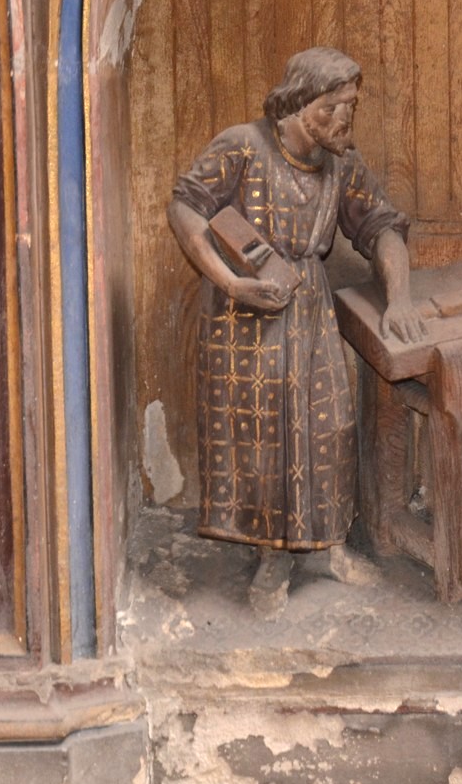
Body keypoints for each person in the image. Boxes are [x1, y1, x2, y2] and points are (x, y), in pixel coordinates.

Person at [168, 46, 426, 615]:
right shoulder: (243, 144)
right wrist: (230, 283)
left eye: (351, 107)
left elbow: (381, 226)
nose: (346, 120)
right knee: (265, 439)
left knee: (328, 428)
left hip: (308, 307)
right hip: (245, 317)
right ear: (304, 101)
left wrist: (400, 296)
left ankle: (326, 544)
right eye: (336, 107)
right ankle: (272, 559)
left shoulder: (342, 164)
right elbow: (186, 207)